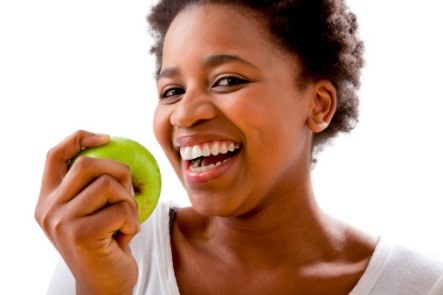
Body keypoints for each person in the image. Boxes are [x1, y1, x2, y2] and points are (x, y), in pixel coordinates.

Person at [35, 0, 443, 294]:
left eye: (228, 80)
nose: (185, 115)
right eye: (172, 90)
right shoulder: (115, 245)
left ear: (317, 105)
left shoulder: (419, 285)